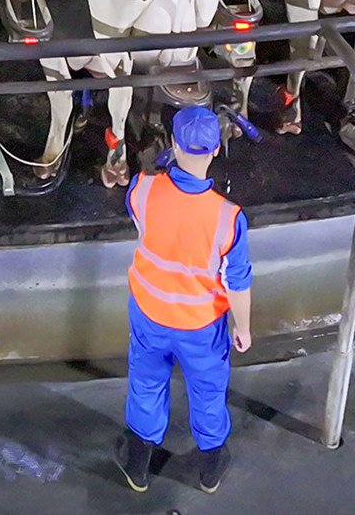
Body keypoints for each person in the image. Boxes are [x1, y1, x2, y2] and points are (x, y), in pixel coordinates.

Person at [117, 105, 251, 493]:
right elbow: (237, 281)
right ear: (215, 150)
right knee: (207, 390)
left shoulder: (142, 188)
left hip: (149, 313)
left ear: (173, 144)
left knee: (145, 382)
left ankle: (138, 465)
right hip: (201, 325)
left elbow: (145, 222)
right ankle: (210, 468)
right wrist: (242, 328)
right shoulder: (228, 218)